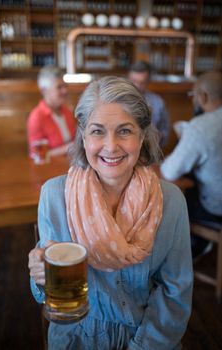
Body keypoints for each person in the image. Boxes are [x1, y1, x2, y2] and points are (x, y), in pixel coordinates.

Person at [28, 76, 193, 350]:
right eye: (97, 131)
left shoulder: (171, 200)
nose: (111, 145)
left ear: (142, 136)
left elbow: (175, 293)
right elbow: (48, 294)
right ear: (82, 135)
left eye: (125, 131)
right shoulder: (54, 195)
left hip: (150, 339)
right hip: (75, 338)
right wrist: (38, 275)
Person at [161, 71, 222, 259]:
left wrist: (185, 141)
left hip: (216, 209)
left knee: (171, 199)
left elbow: (169, 171)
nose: (193, 100)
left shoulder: (200, 127)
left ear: (203, 96)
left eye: (193, 95)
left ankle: (190, 250)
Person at [27, 65, 76, 157]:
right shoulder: (36, 117)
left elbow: (75, 139)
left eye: (65, 86)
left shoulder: (67, 111)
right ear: (44, 90)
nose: (65, 91)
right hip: (50, 169)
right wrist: (69, 148)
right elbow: (37, 156)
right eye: (59, 87)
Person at [128, 60, 170, 147]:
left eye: (142, 82)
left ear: (148, 82)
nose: (137, 86)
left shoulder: (158, 102)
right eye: (134, 81)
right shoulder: (117, 100)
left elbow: (165, 129)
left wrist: (159, 136)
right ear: (128, 79)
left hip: (150, 150)